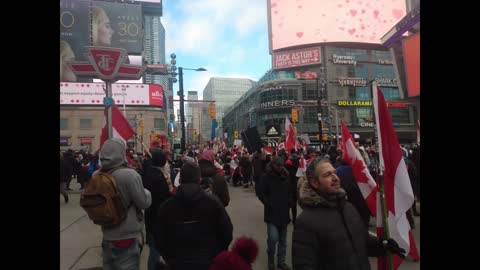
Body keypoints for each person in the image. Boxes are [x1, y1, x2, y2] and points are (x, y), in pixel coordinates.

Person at [292, 158, 406, 270]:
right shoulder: (306, 222)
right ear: (314, 183)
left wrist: (382, 245)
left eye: (335, 173)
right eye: (327, 175)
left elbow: (362, 241)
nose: (335, 178)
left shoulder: (348, 208)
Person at [153, 161, 233, 270]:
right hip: (208, 261)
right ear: (199, 179)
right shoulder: (213, 203)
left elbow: (160, 239)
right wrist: (215, 253)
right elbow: (227, 232)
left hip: (178, 263)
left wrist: (171, 258)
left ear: (180, 180)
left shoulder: (166, 207)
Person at [98, 138, 152, 270]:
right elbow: (144, 202)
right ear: (121, 153)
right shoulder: (130, 175)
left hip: (107, 235)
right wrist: (146, 191)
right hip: (128, 236)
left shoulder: (97, 175)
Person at [257, 157, 291, 270]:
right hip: (272, 213)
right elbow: (260, 192)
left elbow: (290, 190)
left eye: (282, 166)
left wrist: (290, 201)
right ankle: (271, 260)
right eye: (278, 166)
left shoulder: (286, 176)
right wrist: (268, 203)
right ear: (273, 165)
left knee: (283, 240)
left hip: (284, 213)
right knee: (273, 238)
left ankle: (281, 261)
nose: (280, 168)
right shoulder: (266, 177)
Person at [141, 149, 171, 270]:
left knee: (155, 247)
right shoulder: (158, 178)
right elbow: (163, 198)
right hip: (157, 217)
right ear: (162, 163)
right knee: (156, 249)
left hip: (150, 215)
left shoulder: (147, 173)